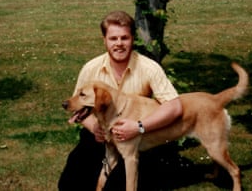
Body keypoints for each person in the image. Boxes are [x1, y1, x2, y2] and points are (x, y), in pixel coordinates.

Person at [58, 10, 183, 191]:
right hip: (100, 134)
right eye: (113, 38)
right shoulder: (91, 69)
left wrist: (139, 126)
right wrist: (94, 127)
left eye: (124, 38)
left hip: (137, 136)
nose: (119, 44)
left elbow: (174, 106)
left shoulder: (149, 68)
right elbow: (82, 108)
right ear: (105, 40)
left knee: (118, 185)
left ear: (133, 39)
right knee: (69, 184)